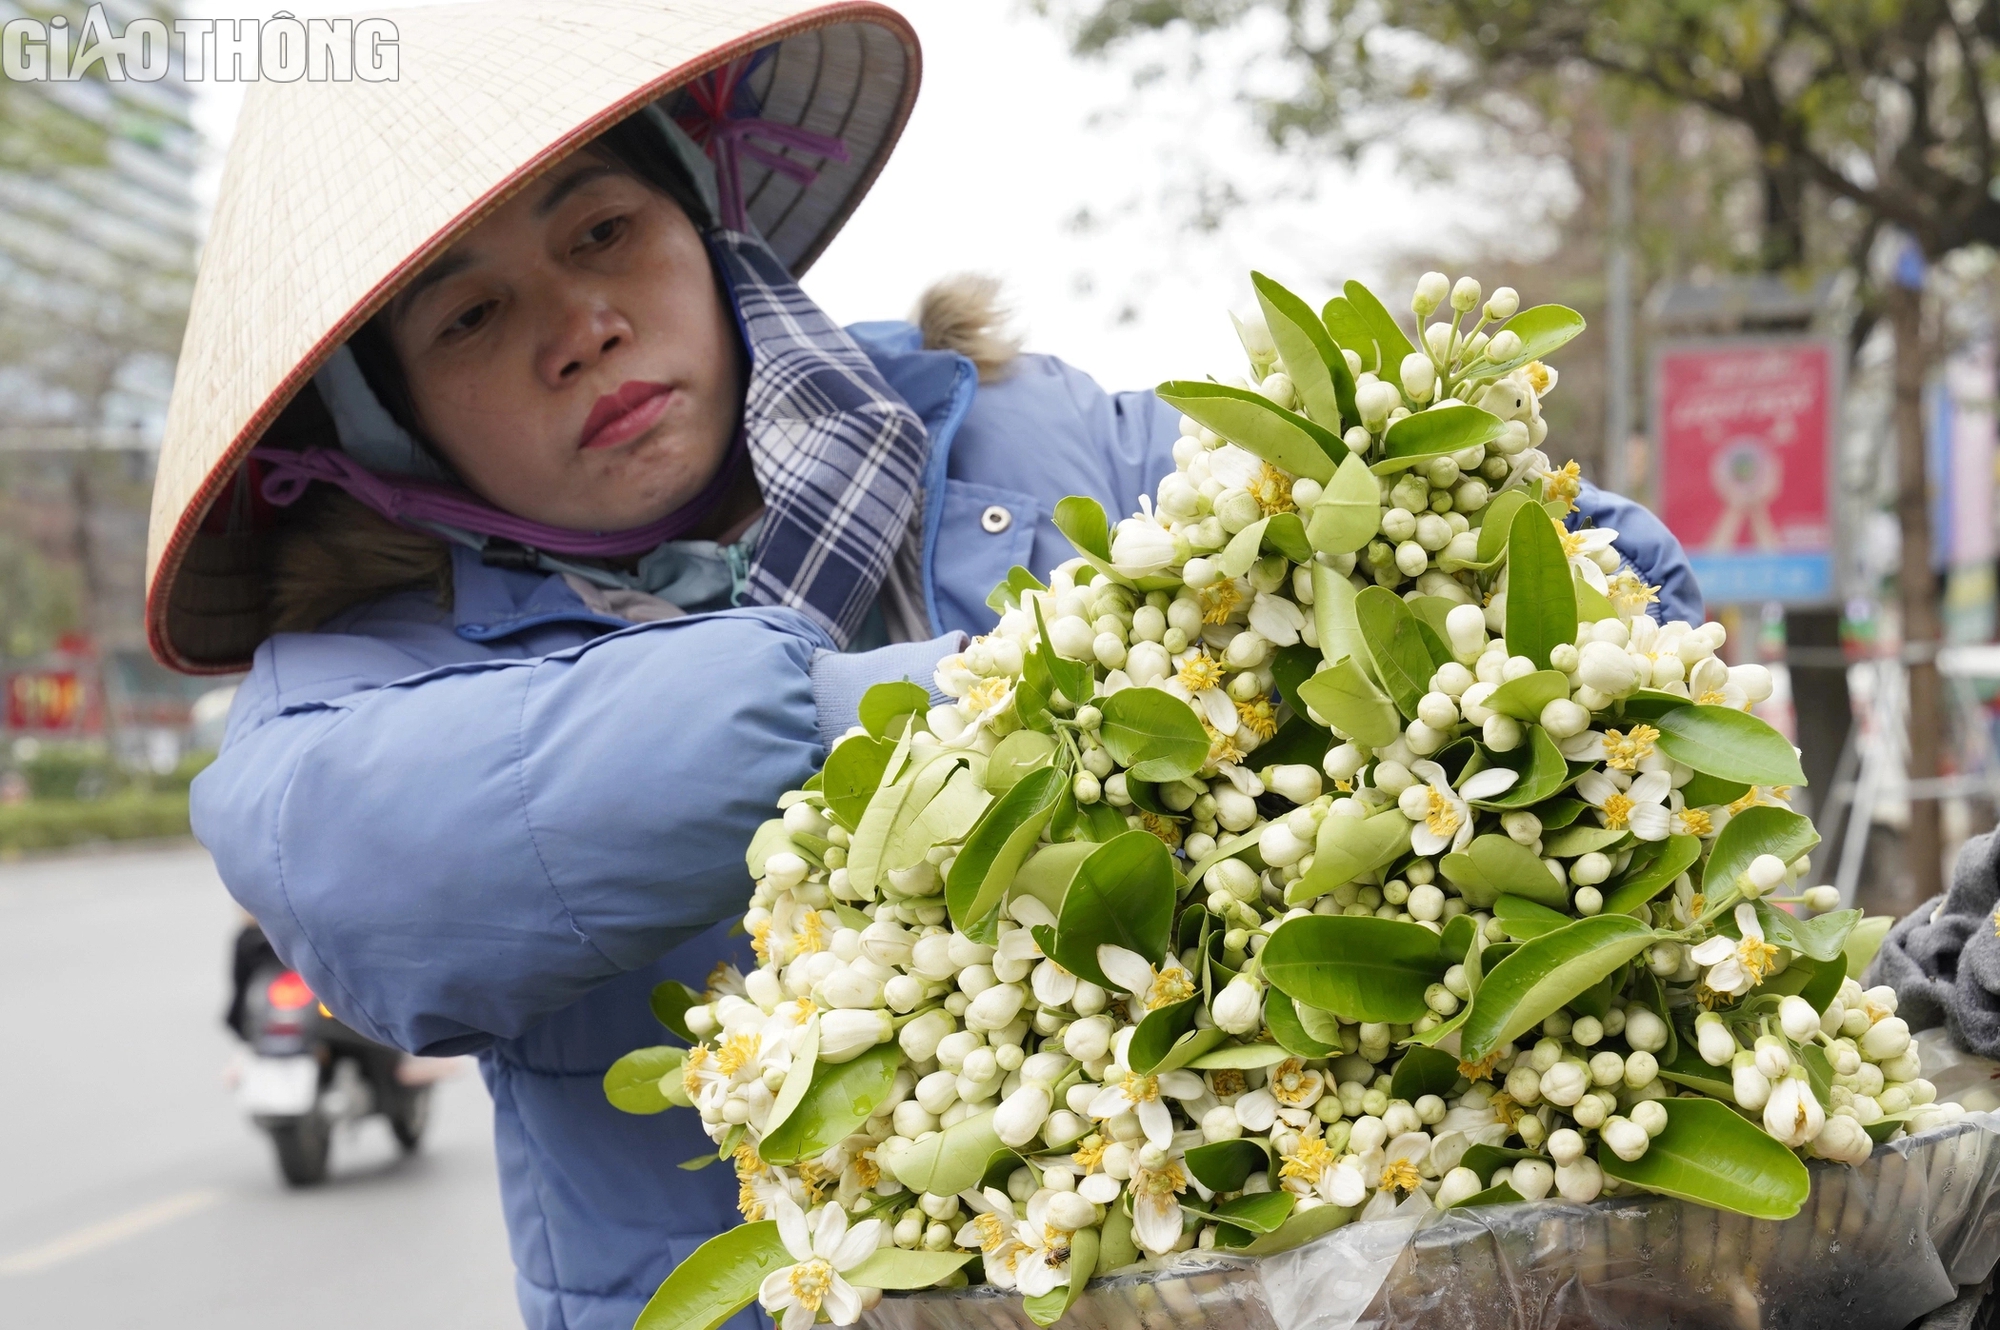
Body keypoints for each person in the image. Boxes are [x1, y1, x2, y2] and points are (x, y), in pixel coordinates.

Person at [144, 6, 1698, 1327]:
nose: (583, 326)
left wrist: (1590, 628)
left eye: (606, 230)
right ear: (391, 422)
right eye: (474, 314)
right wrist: (971, 708)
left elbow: (1499, 551)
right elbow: (354, 863)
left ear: (704, 220)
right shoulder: (378, 659)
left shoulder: (1029, 435)